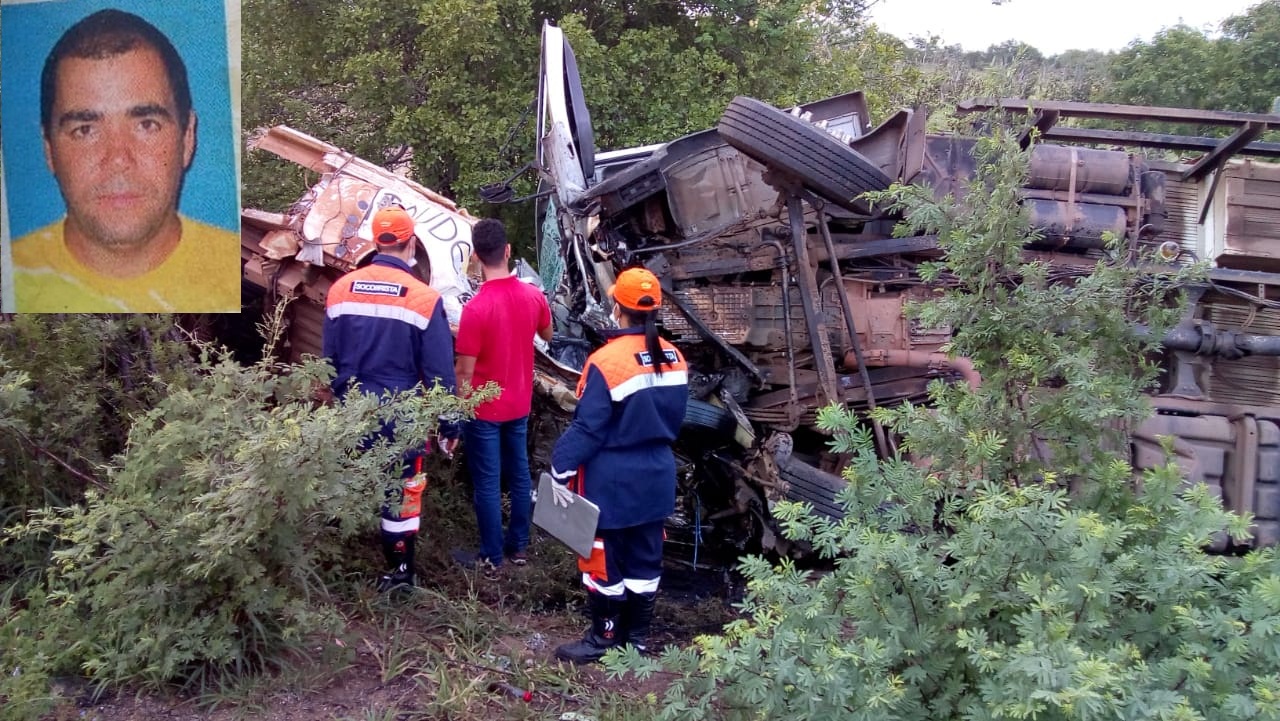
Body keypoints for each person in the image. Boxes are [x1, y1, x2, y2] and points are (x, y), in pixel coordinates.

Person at [11, 8, 239, 313]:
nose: (118, 159)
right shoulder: (15, 278)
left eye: (146, 124)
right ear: (49, 149)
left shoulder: (232, 271)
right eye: (85, 130)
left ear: (187, 138)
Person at [548, 267, 689, 664]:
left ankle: (603, 639)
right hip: (658, 473)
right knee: (646, 559)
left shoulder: (605, 361)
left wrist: (559, 467)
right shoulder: (675, 358)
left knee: (603, 559)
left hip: (612, 480)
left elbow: (588, 429)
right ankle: (636, 641)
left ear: (617, 307)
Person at [323, 205, 461, 590]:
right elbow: (439, 374)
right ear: (411, 243)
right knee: (401, 490)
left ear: (375, 240)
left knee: (354, 479)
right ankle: (400, 572)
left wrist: (344, 397)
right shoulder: (423, 298)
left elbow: (328, 362)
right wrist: (449, 423)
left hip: (353, 407)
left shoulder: (340, 290)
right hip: (402, 413)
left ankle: (340, 560)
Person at [451, 218, 553, 571]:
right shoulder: (533, 296)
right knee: (520, 476)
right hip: (520, 402)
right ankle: (519, 547)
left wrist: (460, 410)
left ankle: (492, 556)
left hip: (484, 408)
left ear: (476, 257)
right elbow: (548, 334)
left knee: (488, 483)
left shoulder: (475, 310)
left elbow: (464, 370)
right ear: (508, 251)